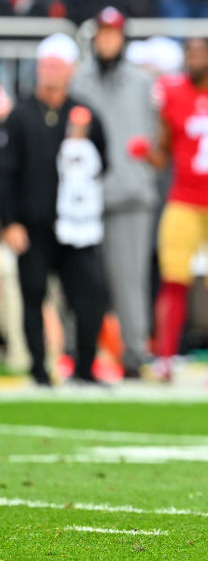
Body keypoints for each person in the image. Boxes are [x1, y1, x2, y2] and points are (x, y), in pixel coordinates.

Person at [129, 38, 208, 385]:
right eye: (189, 54)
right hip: (182, 197)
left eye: (200, 54)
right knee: (173, 278)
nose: (193, 60)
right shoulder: (172, 92)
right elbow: (164, 150)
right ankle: (165, 358)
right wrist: (146, 154)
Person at [0, 34, 108, 386]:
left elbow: (102, 165)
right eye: (46, 65)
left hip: (75, 227)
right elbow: (5, 173)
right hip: (34, 225)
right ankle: (39, 369)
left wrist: (80, 147)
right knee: (33, 295)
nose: (50, 72)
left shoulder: (84, 114)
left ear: (71, 71)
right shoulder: (19, 117)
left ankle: (84, 367)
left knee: (90, 295)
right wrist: (10, 221)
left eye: (57, 66)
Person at [70, 7, 158, 380]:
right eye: (103, 34)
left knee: (129, 279)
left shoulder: (141, 82)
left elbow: (156, 134)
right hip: (84, 197)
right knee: (81, 281)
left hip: (130, 192)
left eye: (114, 34)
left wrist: (144, 169)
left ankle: (135, 354)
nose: (108, 41)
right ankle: (79, 351)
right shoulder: (79, 82)